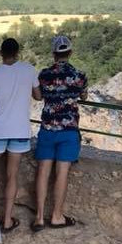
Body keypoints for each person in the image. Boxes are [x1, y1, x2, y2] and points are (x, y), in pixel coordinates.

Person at [0, 38, 41, 233]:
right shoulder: (29, 70)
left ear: (1, 53)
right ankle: (7, 220)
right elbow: (38, 95)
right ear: (18, 52)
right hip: (20, 130)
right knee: (12, 175)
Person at [32, 35, 88, 232]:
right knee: (62, 172)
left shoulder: (44, 74)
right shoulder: (79, 75)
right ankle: (57, 216)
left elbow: (38, 96)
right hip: (68, 131)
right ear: (70, 53)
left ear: (54, 54)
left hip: (47, 128)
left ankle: (39, 217)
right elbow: (84, 95)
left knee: (43, 171)